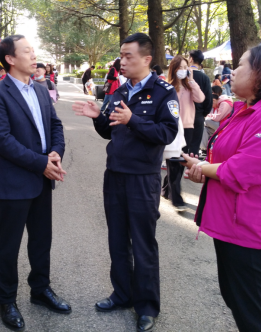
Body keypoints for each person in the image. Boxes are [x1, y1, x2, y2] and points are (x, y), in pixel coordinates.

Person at [183, 45, 261, 332]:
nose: (233, 72)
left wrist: (204, 168)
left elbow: (244, 169)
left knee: (258, 317)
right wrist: (204, 169)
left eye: (241, 65)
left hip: (250, 229)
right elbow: (225, 160)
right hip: (231, 223)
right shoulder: (245, 110)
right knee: (239, 302)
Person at [73, 33, 179, 333]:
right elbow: (111, 131)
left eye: (128, 55)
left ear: (146, 59)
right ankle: (122, 294)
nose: (122, 60)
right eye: (121, 55)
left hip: (142, 179)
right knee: (117, 240)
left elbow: (166, 133)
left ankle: (146, 307)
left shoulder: (163, 92)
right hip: (115, 175)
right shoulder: (119, 90)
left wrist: (133, 119)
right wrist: (98, 117)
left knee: (143, 243)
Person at [0, 35, 69, 332]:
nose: (34, 57)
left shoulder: (42, 89)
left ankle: (40, 289)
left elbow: (55, 125)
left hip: (42, 178)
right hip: (15, 181)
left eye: (34, 51)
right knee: (8, 245)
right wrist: (41, 163)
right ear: (10, 59)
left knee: (41, 239)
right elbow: (3, 141)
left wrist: (56, 153)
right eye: (27, 52)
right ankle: (7, 300)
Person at [163, 55, 205, 211]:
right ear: (173, 69)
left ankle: (166, 190)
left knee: (180, 163)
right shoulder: (167, 87)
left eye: (185, 67)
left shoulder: (190, 86)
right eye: (179, 67)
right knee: (173, 162)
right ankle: (176, 198)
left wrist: (192, 81)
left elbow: (200, 98)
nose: (182, 70)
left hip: (187, 128)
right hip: (172, 128)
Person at [188, 50, 213, 156]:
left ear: (191, 59)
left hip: (183, 115)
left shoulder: (183, 76)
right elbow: (209, 99)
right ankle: (192, 165)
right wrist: (204, 113)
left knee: (181, 147)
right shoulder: (204, 78)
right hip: (198, 115)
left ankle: (177, 167)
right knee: (194, 147)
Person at [201, 86, 233, 151]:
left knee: (205, 120)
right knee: (204, 129)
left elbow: (218, 117)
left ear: (214, 100)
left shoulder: (224, 103)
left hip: (226, 125)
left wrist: (206, 116)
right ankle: (204, 148)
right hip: (220, 124)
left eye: (211, 104)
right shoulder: (219, 103)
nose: (211, 106)